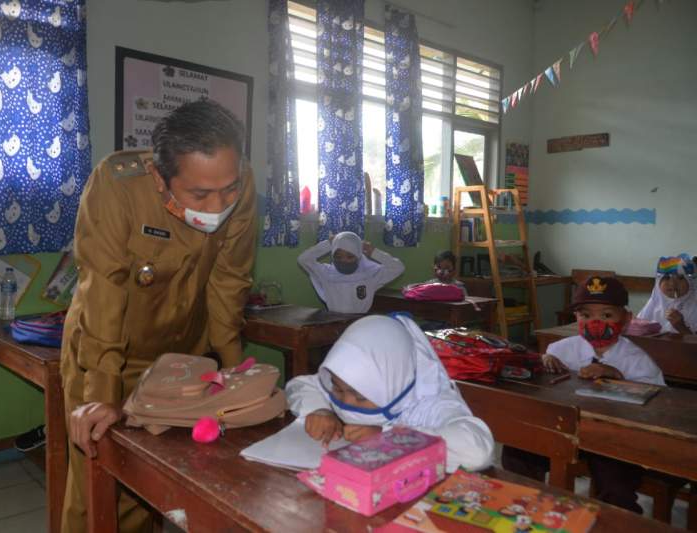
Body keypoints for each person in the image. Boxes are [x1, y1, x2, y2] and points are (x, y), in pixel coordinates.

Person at [60, 99, 256, 533]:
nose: (218, 204)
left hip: (181, 358)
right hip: (105, 352)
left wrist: (233, 367)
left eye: (229, 189)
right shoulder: (118, 186)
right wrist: (103, 392)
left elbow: (229, 281)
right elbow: (103, 291)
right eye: (200, 194)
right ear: (158, 176)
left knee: (156, 482)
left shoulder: (238, 184)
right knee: (101, 487)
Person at [503, 276, 665, 513]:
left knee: (615, 484)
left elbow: (659, 403)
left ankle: (616, 524)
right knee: (518, 449)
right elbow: (541, 385)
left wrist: (617, 375)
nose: (595, 322)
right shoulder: (561, 349)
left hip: (612, 439)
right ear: (576, 317)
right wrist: (542, 362)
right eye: (586, 315)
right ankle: (525, 510)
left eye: (607, 315)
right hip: (564, 431)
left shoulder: (637, 360)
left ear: (627, 319)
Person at [285, 314, 494, 473]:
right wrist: (320, 409)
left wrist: (389, 439)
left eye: (360, 396)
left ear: (393, 383)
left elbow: (475, 451)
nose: (347, 402)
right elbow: (300, 385)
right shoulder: (343, 378)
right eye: (338, 389)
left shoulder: (430, 402)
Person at [297, 231, 405, 314]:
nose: (344, 261)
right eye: (338, 256)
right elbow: (303, 259)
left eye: (350, 256)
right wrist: (328, 244)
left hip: (359, 323)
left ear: (358, 256)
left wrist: (374, 252)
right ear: (332, 255)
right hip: (334, 321)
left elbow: (398, 267)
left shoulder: (369, 275)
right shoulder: (327, 273)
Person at [637, 254, 696, 334]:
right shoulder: (654, 303)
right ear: (659, 283)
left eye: (680, 278)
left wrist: (681, 327)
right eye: (667, 278)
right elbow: (638, 330)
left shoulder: (694, 306)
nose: (673, 283)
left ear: (690, 282)